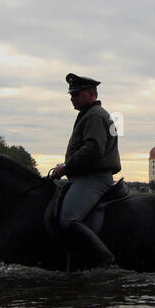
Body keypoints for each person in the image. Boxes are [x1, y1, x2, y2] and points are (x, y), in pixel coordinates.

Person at [48, 73, 122, 268]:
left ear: (91, 94)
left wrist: (66, 167)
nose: (72, 98)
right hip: (84, 177)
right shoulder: (89, 115)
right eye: (71, 94)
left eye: (76, 94)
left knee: (68, 219)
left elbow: (93, 148)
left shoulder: (95, 116)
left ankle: (106, 260)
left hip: (93, 178)